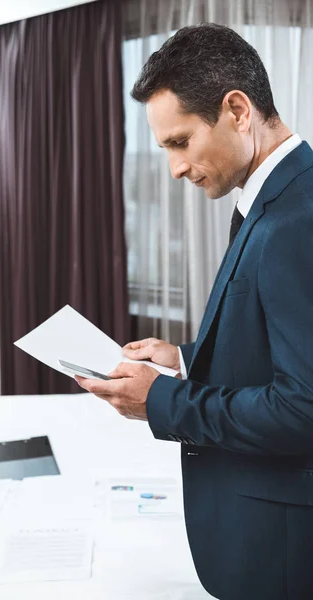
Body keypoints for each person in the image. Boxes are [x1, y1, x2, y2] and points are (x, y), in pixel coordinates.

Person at [76, 22, 313, 600]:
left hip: (278, 551)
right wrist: (184, 359)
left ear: (238, 111)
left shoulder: (295, 219)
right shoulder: (277, 199)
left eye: (180, 143)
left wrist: (160, 399)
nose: (176, 169)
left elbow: (304, 408)